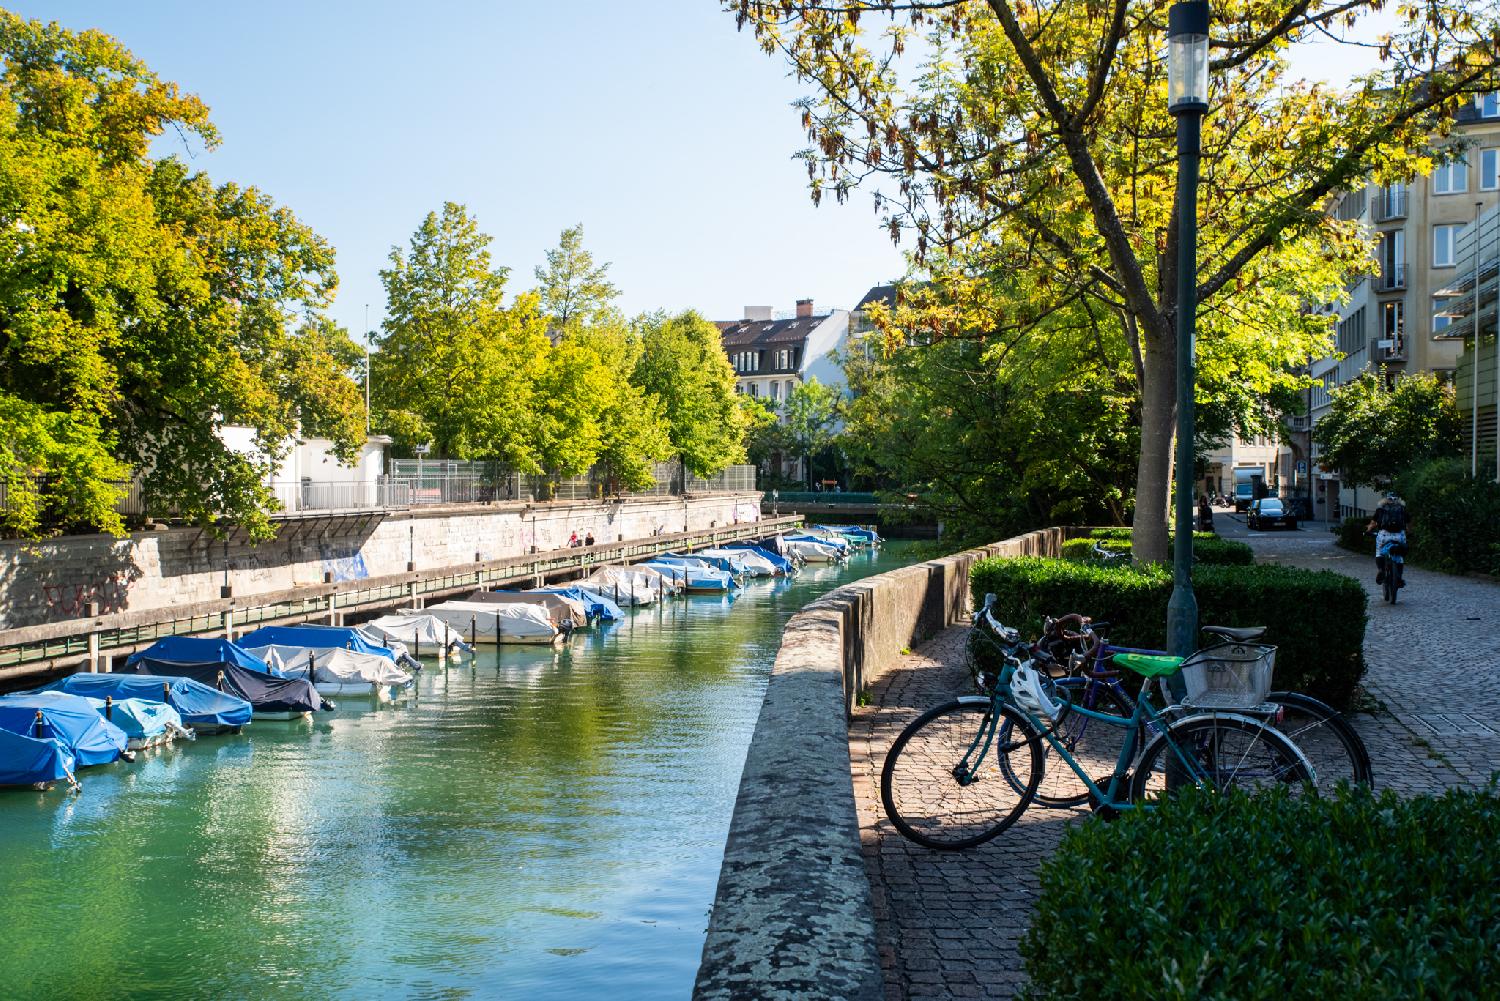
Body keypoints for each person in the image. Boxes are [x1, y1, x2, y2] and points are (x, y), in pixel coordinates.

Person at [1366, 491, 1409, 587]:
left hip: (1384, 535)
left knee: (1379, 552)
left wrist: (1368, 530)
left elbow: (1373, 523)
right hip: (1399, 536)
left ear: (1385, 499)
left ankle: (1381, 569)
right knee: (1400, 556)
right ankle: (1399, 577)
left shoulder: (1380, 509)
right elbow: (1408, 525)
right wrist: (1409, 533)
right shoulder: (1402, 509)